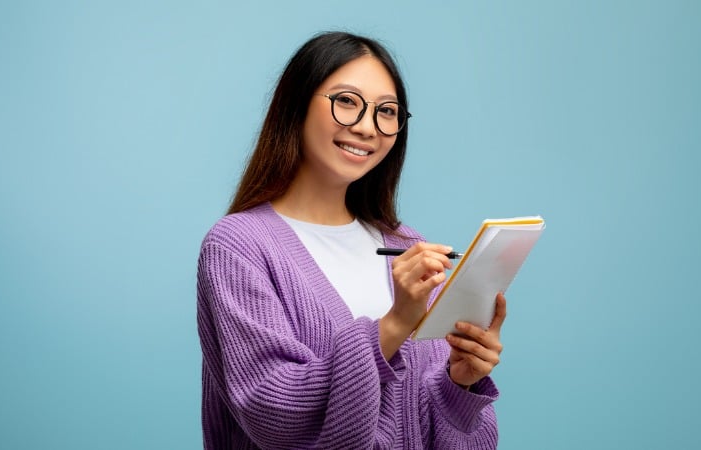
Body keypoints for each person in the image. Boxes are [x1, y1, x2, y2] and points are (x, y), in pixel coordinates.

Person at [196, 31, 507, 449]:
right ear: (297, 103)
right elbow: (271, 412)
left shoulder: (407, 246)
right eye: (346, 101)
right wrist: (395, 324)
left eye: (387, 111)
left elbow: (440, 431)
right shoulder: (237, 247)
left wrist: (459, 384)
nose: (366, 127)